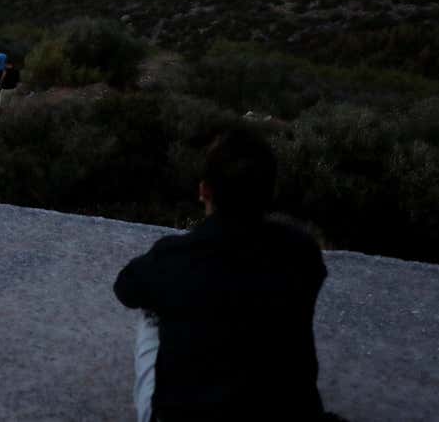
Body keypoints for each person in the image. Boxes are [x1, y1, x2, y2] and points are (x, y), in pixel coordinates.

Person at [113, 129, 327, 422]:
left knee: (152, 306)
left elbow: (125, 288)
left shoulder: (173, 257)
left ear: (204, 191)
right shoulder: (303, 252)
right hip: (287, 412)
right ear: (271, 192)